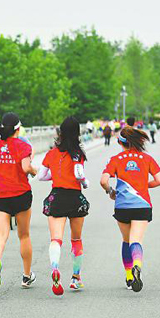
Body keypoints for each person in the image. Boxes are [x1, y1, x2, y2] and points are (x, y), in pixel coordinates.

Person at [100, 127, 160, 292]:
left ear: (120, 142)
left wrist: (110, 191)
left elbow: (103, 180)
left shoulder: (116, 159)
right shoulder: (147, 158)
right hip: (142, 205)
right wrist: (143, 185)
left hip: (122, 206)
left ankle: (129, 276)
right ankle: (137, 265)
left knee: (126, 241)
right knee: (136, 240)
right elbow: (159, 181)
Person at [36, 117, 90, 296]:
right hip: (75, 197)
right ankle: (75, 278)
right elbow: (79, 174)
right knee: (76, 240)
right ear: (77, 133)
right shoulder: (78, 154)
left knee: (56, 239)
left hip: (57, 197)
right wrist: (85, 182)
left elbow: (42, 176)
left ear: (60, 132)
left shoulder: (51, 154)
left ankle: (55, 268)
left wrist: (56, 176)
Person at [0, 112, 38, 289]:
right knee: (24, 235)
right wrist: (33, 170)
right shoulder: (23, 145)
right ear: (17, 129)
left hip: (0, 194)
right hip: (20, 193)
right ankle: (27, 275)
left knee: (1, 234)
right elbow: (25, 167)